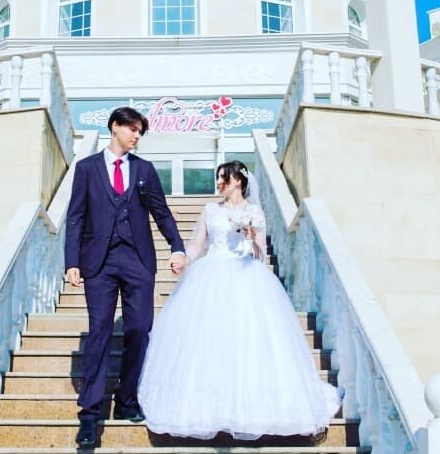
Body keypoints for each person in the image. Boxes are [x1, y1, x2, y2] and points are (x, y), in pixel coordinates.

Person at [138, 160, 340, 439]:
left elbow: (260, 253)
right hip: (210, 277)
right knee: (208, 342)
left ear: (238, 181)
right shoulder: (210, 210)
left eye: (223, 178)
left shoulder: (254, 213)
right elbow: (197, 246)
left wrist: (252, 237)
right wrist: (184, 260)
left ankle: (253, 409)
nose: (218, 183)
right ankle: (208, 408)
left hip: (247, 276)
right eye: (218, 178)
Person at [65, 107, 185, 448]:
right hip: (99, 264)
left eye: (140, 131)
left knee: (139, 329)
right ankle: (90, 414)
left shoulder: (144, 169)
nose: (137, 135)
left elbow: (160, 211)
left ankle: (127, 399)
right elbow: (75, 216)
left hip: (138, 261)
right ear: (115, 127)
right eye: (132, 129)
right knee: (100, 331)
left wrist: (176, 246)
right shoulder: (87, 168)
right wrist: (72, 261)